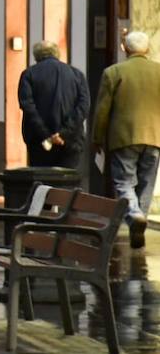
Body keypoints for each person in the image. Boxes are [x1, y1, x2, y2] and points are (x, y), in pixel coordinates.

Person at [92, 31, 160, 248]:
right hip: (154, 135)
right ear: (147, 49)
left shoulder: (114, 72)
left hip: (123, 136)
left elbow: (103, 110)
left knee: (124, 182)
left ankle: (133, 215)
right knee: (146, 183)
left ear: (125, 48)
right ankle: (138, 221)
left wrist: (97, 137)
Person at [18, 41, 90, 169]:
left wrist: (47, 135)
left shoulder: (29, 74)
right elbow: (83, 106)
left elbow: (28, 107)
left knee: (43, 183)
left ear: (36, 56)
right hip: (71, 140)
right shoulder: (77, 75)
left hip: (39, 141)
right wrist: (63, 133)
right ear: (57, 54)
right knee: (67, 183)